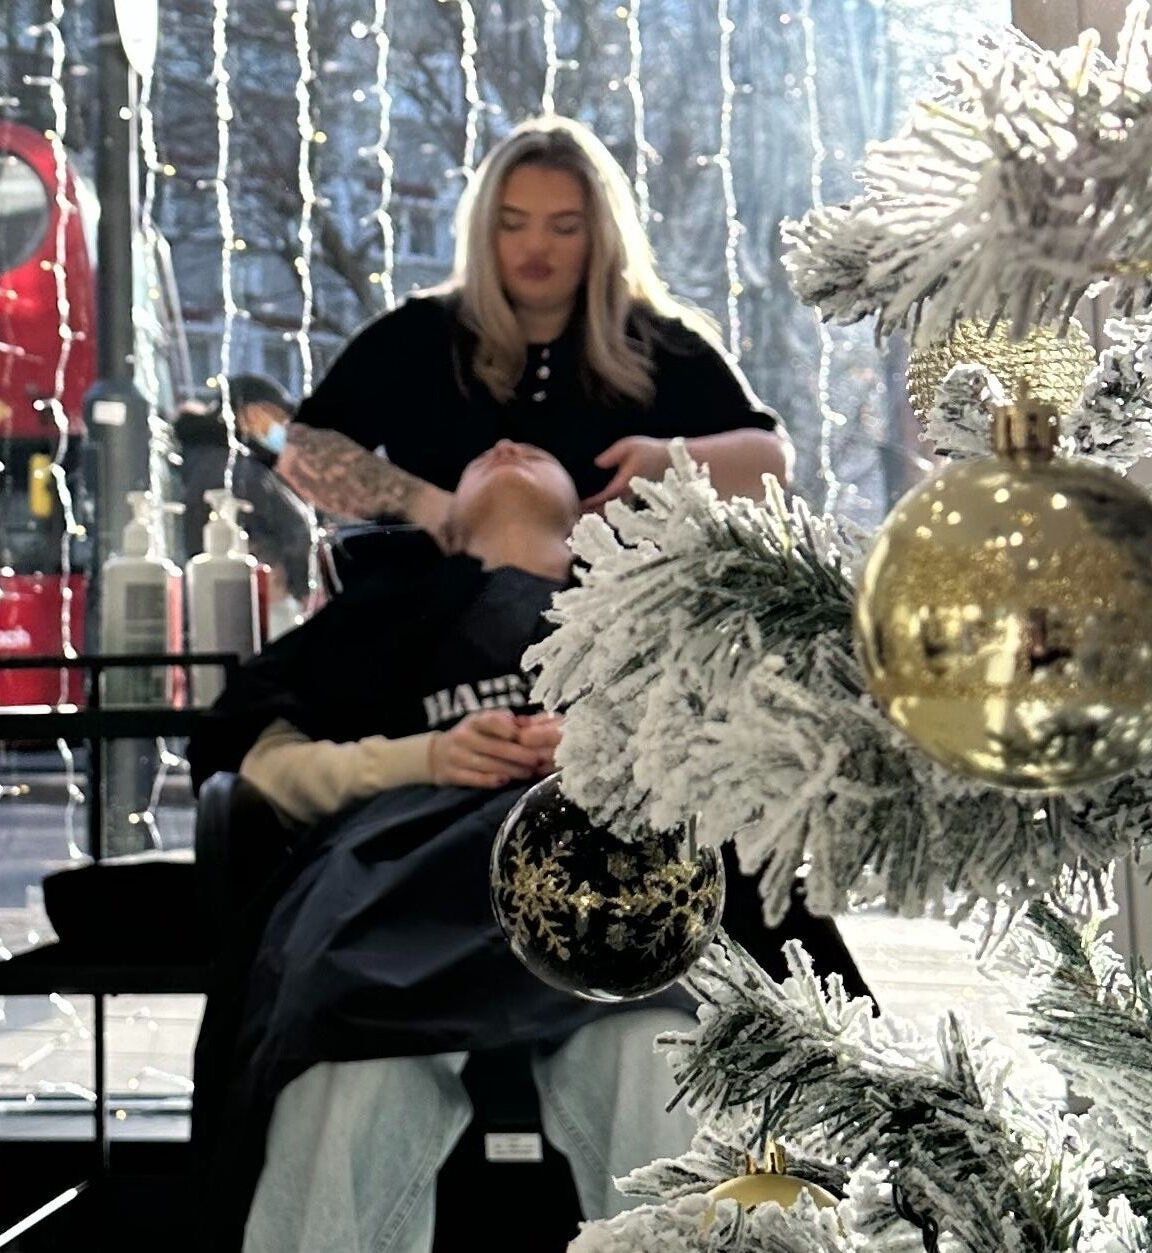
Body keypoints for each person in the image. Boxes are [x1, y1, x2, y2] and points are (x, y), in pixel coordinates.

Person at [187, 440, 861, 1253]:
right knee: (344, 1072)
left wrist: (621, 751)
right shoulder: (378, 615)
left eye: (539, 452)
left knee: (655, 1059)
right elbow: (259, 762)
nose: (505, 446)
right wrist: (424, 758)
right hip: (398, 886)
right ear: (445, 523)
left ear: (587, 514)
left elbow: (774, 755)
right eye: (478, 458)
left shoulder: (654, 614)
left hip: (617, 889)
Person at [279, 116, 790, 532]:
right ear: (483, 228)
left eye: (564, 227)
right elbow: (298, 447)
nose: (536, 247)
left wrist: (669, 461)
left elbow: (771, 460)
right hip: (432, 621)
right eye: (512, 223)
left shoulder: (660, 345)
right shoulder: (416, 337)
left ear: (601, 235)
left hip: (620, 630)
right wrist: (433, 508)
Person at [172, 374, 316, 614]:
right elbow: (295, 532)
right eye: (276, 417)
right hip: (253, 606)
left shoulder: (218, 460)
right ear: (247, 414)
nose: (284, 427)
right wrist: (299, 585)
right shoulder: (234, 469)